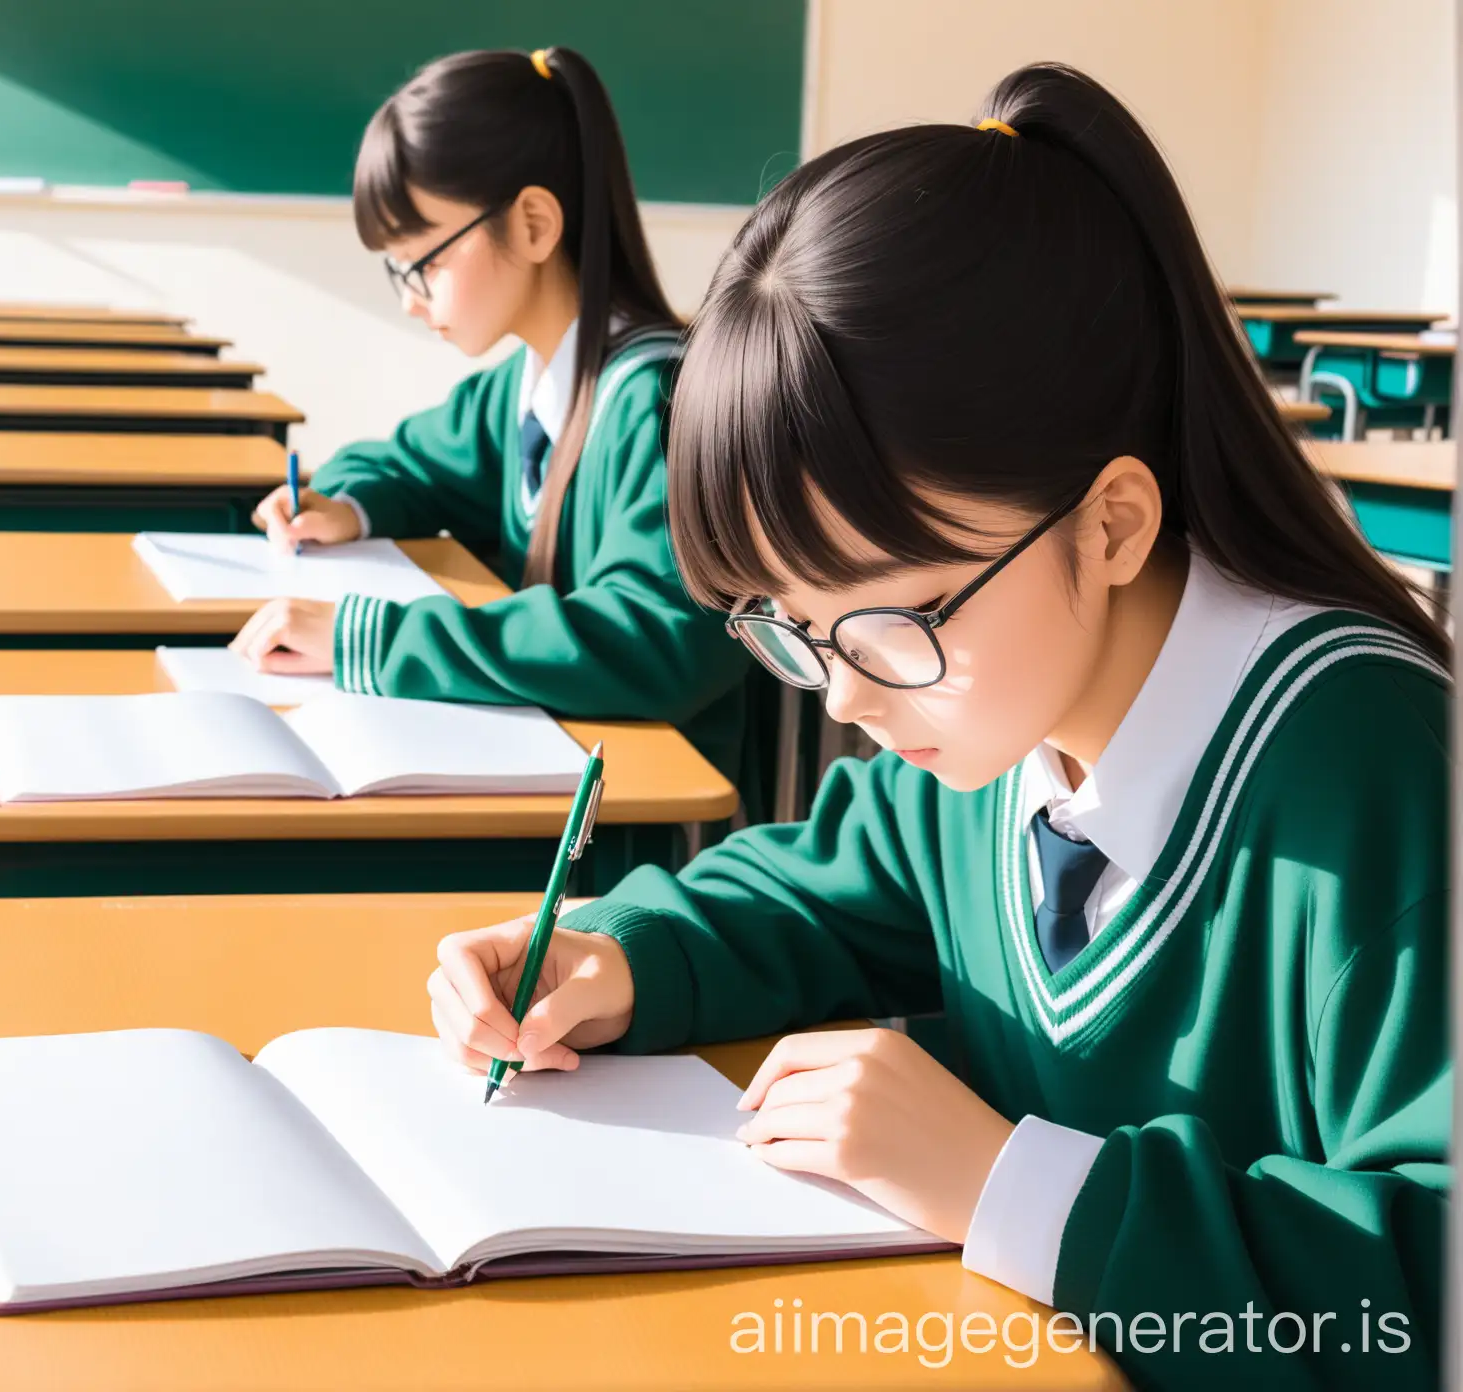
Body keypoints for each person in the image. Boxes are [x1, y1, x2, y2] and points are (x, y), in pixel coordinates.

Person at [426, 64, 1447, 1391]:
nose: (844, 695)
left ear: (1114, 525)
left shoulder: (1370, 776)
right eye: (797, 627)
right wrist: (618, 955)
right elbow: (812, 885)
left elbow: (1427, 1298)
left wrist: (1011, 1185)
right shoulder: (994, 729)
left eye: (887, 627)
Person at [232, 47, 751, 787]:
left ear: (535, 224)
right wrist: (343, 504)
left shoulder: (661, 402)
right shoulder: (525, 384)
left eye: (426, 262)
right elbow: (404, 463)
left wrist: (375, 642)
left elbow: (652, 638)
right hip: (556, 768)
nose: (410, 298)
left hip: (654, 811)